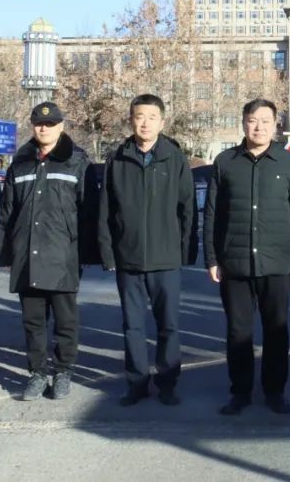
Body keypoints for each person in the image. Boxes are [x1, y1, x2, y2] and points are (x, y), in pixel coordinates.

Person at [203, 99, 290, 416]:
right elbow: (211, 215)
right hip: (234, 263)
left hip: (276, 263)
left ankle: (275, 391)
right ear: (243, 123)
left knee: (276, 330)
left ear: (276, 125)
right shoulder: (225, 162)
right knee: (238, 332)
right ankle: (240, 392)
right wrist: (212, 258)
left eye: (265, 120)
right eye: (253, 120)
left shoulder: (288, 163)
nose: (259, 127)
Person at [98, 94, 197, 407]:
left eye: (152, 117)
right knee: (133, 326)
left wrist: (186, 251)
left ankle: (168, 382)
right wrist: (108, 253)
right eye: (139, 116)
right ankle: (137, 383)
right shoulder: (117, 159)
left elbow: (187, 209)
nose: (145, 123)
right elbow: (105, 210)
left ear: (162, 122)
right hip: (128, 257)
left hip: (165, 258)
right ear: (131, 120)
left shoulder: (174, 158)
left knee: (168, 325)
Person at [0, 102, 90, 401]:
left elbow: (88, 211)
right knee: (33, 322)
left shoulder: (77, 161)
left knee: (65, 322)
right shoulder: (20, 162)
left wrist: (86, 252)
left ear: (61, 126)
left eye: (50, 124)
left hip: (63, 256)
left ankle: (63, 372)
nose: (44, 128)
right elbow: (6, 211)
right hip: (27, 255)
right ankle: (37, 373)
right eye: (38, 123)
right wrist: (5, 253)